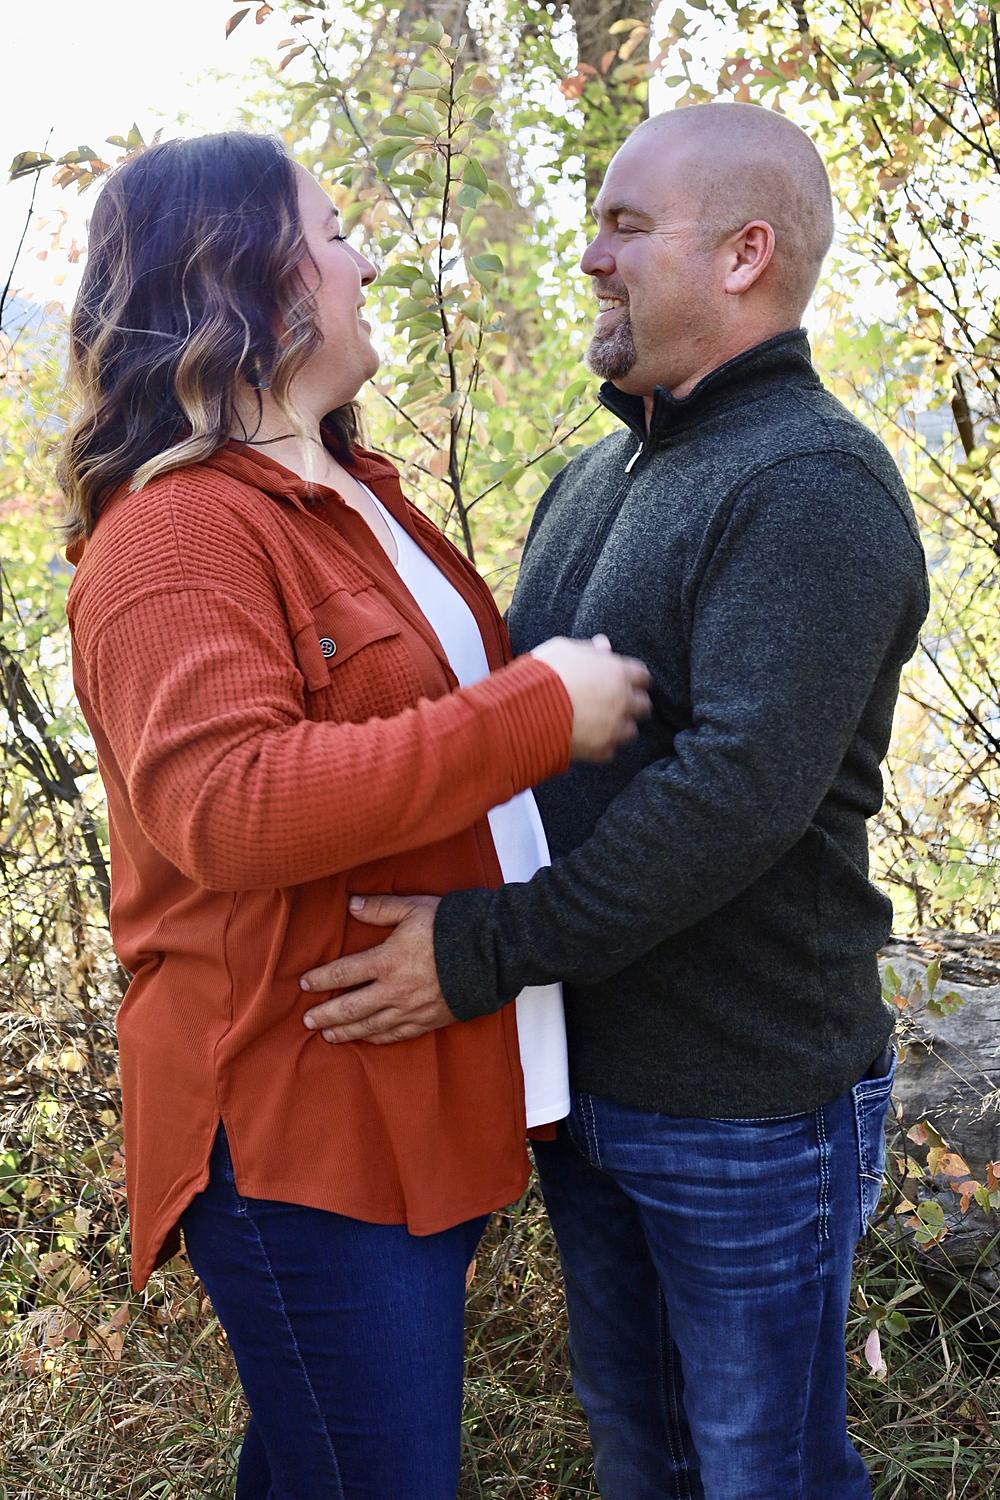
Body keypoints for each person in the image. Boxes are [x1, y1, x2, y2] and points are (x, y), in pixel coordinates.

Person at [297, 103, 930, 1498]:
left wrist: (484, 950)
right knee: (642, 1458)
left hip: (745, 1105)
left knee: (764, 1473)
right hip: (590, 1086)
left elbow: (734, 798)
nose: (590, 256)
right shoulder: (598, 477)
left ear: (746, 255)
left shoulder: (812, 485)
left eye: (627, 227)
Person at [61, 130, 651, 1499]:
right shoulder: (178, 535)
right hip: (297, 1116)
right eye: (333, 233)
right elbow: (227, 805)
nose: (366, 260)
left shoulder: (354, 493)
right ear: (250, 275)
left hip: (401, 1086)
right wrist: (537, 711)